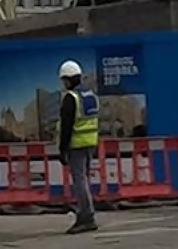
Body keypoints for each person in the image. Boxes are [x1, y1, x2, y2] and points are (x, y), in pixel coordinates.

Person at [56, 59, 99, 234]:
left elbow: (67, 125)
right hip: (90, 143)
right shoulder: (90, 95)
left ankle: (86, 217)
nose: (64, 84)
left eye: (64, 80)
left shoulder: (71, 98)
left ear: (68, 79)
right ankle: (87, 214)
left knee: (80, 181)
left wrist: (62, 148)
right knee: (85, 180)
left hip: (76, 145)